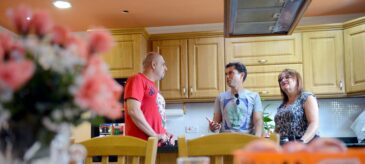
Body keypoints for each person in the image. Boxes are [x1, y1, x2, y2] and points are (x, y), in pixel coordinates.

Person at [124, 52, 171, 144]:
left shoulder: (153, 87)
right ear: (154, 65)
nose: (166, 68)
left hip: (153, 145)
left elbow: (151, 115)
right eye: (163, 64)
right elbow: (133, 110)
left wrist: (165, 133)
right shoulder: (137, 79)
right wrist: (155, 135)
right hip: (142, 146)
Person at [209, 62, 263, 137]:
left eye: (231, 73)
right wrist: (213, 127)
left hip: (247, 142)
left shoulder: (254, 96)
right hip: (226, 142)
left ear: (241, 75)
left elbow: (258, 121)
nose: (227, 76)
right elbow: (215, 124)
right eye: (226, 74)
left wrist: (257, 139)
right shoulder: (220, 97)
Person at [274, 69, 319, 145]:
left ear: (297, 80)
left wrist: (301, 142)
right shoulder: (282, 106)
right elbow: (277, 129)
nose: (283, 80)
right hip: (285, 146)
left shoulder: (307, 97)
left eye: (287, 77)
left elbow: (314, 123)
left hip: (305, 145)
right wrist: (267, 138)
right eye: (280, 79)